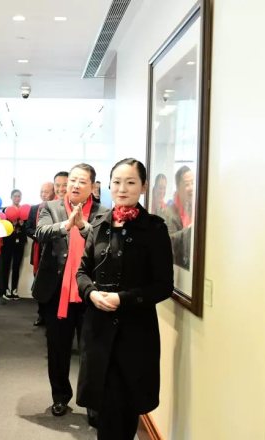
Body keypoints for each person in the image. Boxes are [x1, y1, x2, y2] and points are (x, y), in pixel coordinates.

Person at [76, 158, 174, 439]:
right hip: (98, 330)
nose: (122, 188)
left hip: (135, 335)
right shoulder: (98, 225)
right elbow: (82, 272)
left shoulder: (154, 229)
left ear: (143, 187)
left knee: (126, 407)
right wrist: (91, 293)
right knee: (103, 410)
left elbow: (163, 286)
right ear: (108, 185)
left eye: (130, 182)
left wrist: (123, 299)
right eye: (117, 182)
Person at [33, 163, 107, 417]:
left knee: (91, 350)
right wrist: (66, 225)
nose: (75, 185)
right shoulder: (50, 208)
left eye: (82, 181)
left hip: (90, 292)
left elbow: (103, 245)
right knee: (58, 349)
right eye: (73, 180)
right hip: (57, 291)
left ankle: (92, 401)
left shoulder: (102, 213)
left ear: (92, 187)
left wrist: (84, 227)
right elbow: (41, 232)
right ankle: (60, 396)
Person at [24, 181, 55, 326]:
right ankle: (41, 315)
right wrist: (40, 236)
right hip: (38, 250)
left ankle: (51, 316)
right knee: (39, 284)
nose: (43, 194)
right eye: (42, 191)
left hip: (53, 252)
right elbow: (28, 228)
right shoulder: (34, 208)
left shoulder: (57, 208)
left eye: (46, 192)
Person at [163, 166, 193, 269]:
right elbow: (168, 242)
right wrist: (190, 230)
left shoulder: (195, 209)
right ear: (178, 188)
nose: (191, 188)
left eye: (193, 183)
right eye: (187, 184)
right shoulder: (168, 213)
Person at [1, 189, 27, 300]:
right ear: (11, 197)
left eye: (19, 196)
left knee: (16, 266)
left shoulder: (24, 210)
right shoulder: (5, 210)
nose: (17, 198)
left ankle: (14, 290)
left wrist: (22, 224)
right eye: (15, 196)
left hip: (19, 241)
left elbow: (28, 227)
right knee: (6, 265)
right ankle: (5, 290)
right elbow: (3, 226)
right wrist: (12, 223)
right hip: (8, 242)